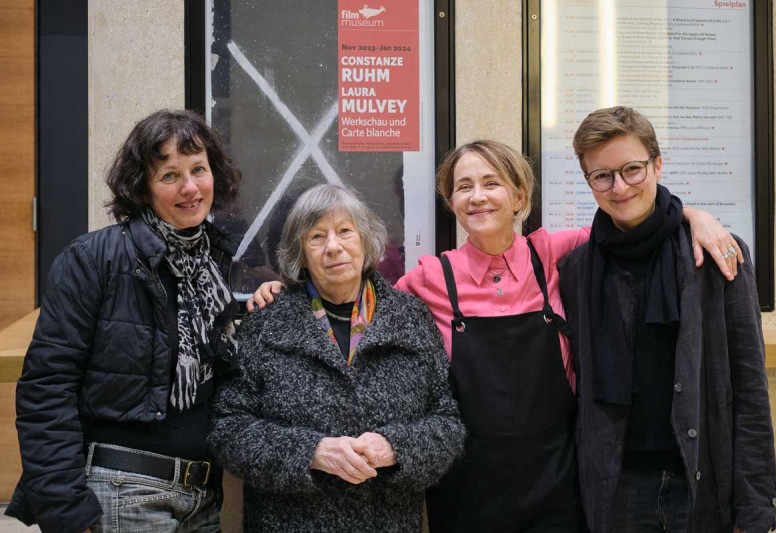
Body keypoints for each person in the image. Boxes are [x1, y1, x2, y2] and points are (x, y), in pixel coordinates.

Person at [250, 141, 739, 532]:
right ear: (452, 203)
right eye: (464, 186)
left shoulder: (558, 254)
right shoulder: (427, 279)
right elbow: (351, 295)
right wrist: (287, 290)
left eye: (491, 183)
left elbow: (636, 221)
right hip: (468, 490)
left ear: (520, 197)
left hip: (557, 484)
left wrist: (694, 217)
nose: (477, 196)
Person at [7, 109, 242, 533]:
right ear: (143, 187)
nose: (190, 187)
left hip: (203, 495)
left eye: (198, 170)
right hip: (123, 492)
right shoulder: (94, 258)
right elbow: (47, 387)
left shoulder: (219, 264)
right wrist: (66, 511)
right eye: (169, 175)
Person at [559, 106, 776, 532]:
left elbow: (750, 388)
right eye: (602, 175)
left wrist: (755, 507)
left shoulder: (717, 256)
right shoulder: (575, 270)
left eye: (632, 169)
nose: (619, 187)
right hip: (616, 488)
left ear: (658, 165)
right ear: (588, 181)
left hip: (702, 481)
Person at [208, 184, 465, 532]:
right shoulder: (266, 322)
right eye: (316, 237)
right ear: (301, 252)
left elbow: (447, 424)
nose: (333, 247)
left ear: (365, 240)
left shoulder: (411, 317)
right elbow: (228, 429)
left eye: (345, 231)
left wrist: (396, 447)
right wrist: (311, 451)